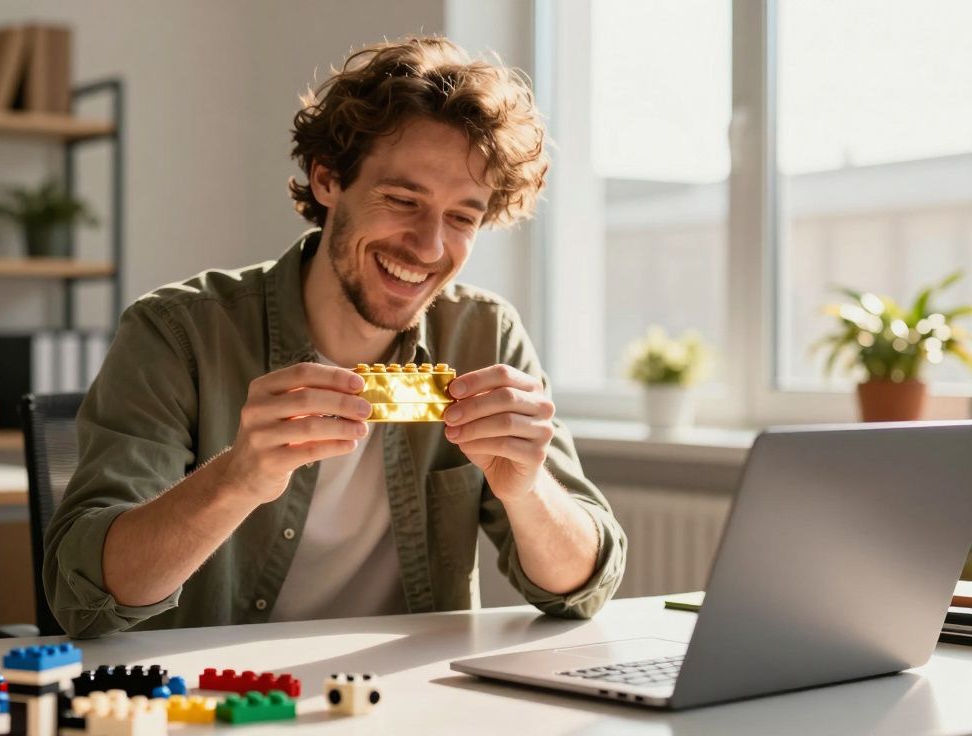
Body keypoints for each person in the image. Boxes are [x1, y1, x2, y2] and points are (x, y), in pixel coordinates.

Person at [44, 35, 626, 638]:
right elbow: (83, 598)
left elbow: (582, 592)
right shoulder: (178, 333)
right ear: (327, 180)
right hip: (217, 703)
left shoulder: (485, 334)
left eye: (462, 218)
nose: (429, 248)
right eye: (403, 199)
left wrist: (530, 492)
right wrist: (238, 477)